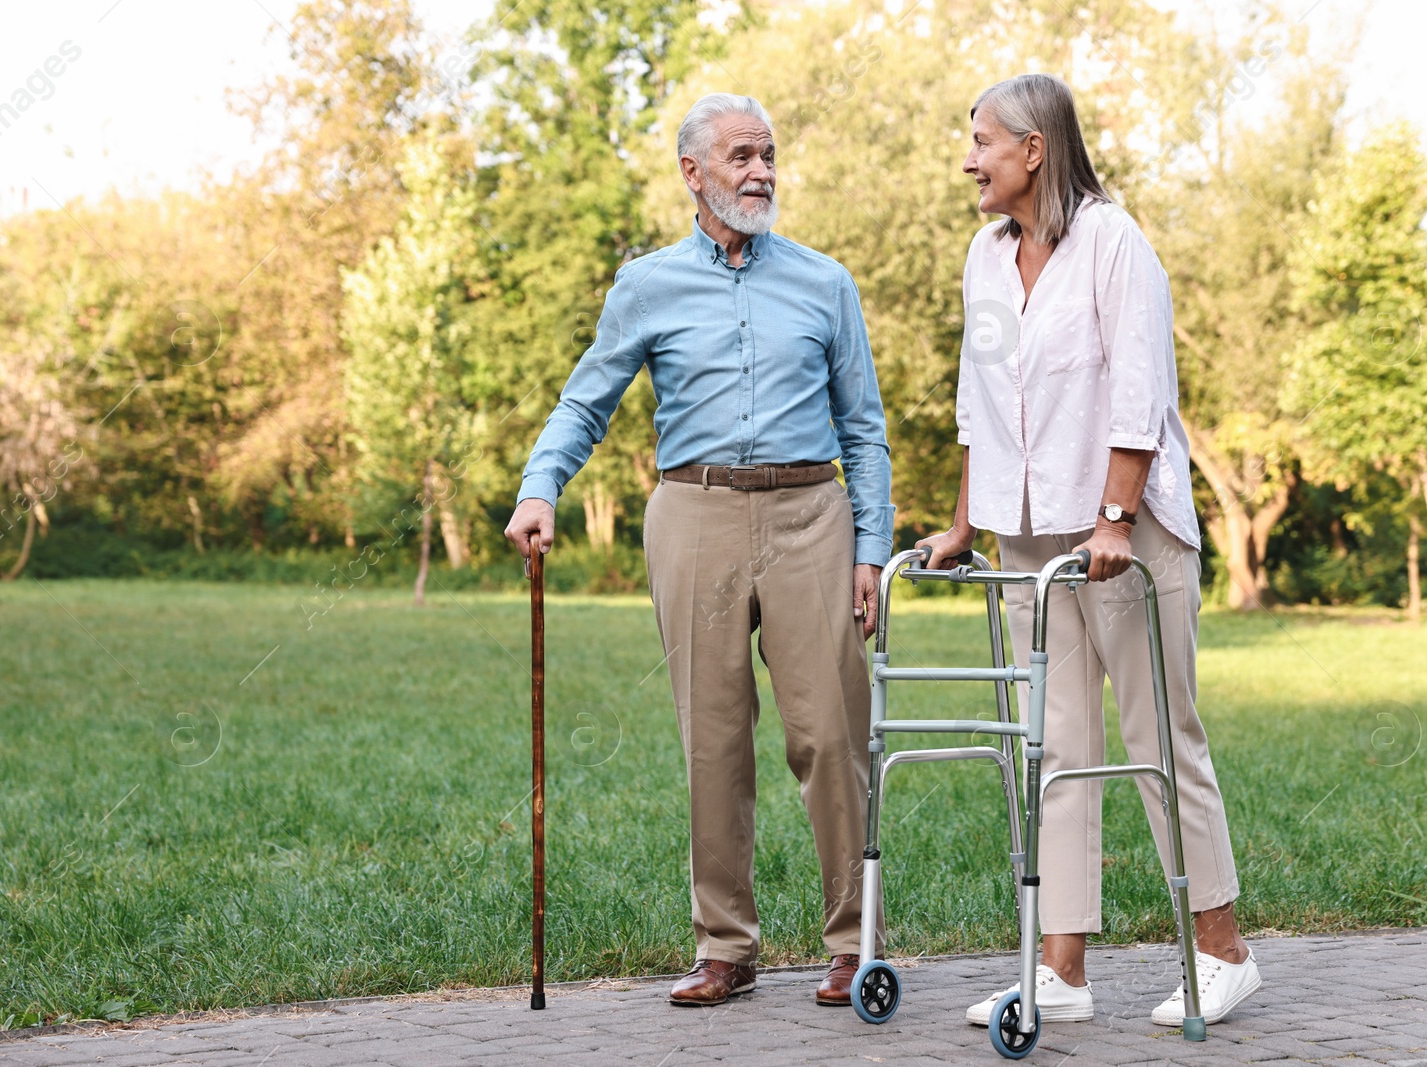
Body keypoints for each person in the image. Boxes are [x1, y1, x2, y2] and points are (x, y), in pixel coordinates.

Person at [504, 92, 893, 1008]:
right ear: (693, 172)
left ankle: (855, 940)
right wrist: (538, 486)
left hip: (811, 515)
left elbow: (864, 428)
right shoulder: (646, 284)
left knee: (830, 734)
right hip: (695, 513)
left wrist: (870, 547)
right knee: (713, 738)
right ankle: (727, 945)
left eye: (768, 154)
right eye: (741, 156)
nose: (761, 171)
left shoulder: (826, 282)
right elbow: (585, 398)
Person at [918, 73, 1261, 1028]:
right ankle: (1062, 971)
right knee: (1055, 749)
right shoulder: (986, 259)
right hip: (1032, 536)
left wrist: (1115, 517)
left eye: (981, 139)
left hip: (1125, 536)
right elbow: (977, 400)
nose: (968, 157)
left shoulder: (1114, 242)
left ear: (1034, 149)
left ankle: (1225, 951)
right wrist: (963, 521)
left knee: (1160, 736)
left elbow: (1140, 386)